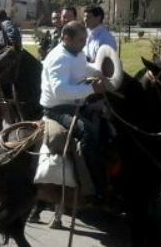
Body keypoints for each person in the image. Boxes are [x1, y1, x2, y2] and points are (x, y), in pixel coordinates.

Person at [40, 21, 108, 202]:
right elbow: (60, 91)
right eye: (80, 40)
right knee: (88, 132)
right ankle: (91, 186)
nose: (84, 43)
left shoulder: (76, 52)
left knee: (108, 123)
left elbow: (83, 68)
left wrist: (102, 71)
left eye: (85, 39)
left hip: (76, 103)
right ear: (66, 38)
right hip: (57, 109)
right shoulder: (59, 58)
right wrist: (92, 89)